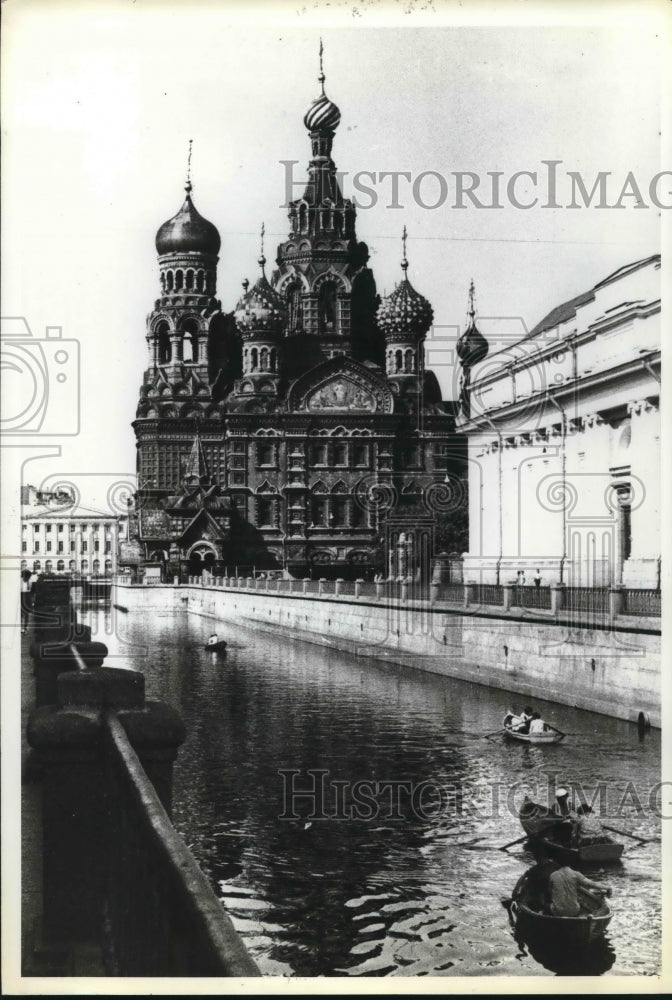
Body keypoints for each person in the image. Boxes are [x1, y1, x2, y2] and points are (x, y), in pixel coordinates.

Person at [20, 569, 32, 634]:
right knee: (21, 614)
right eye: (26, 577)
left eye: (28, 577)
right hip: (21, 596)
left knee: (27, 614)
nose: (27, 578)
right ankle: (21, 628)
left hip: (27, 597)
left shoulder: (29, 581)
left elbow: (30, 590)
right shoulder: (19, 581)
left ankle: (26, 628)